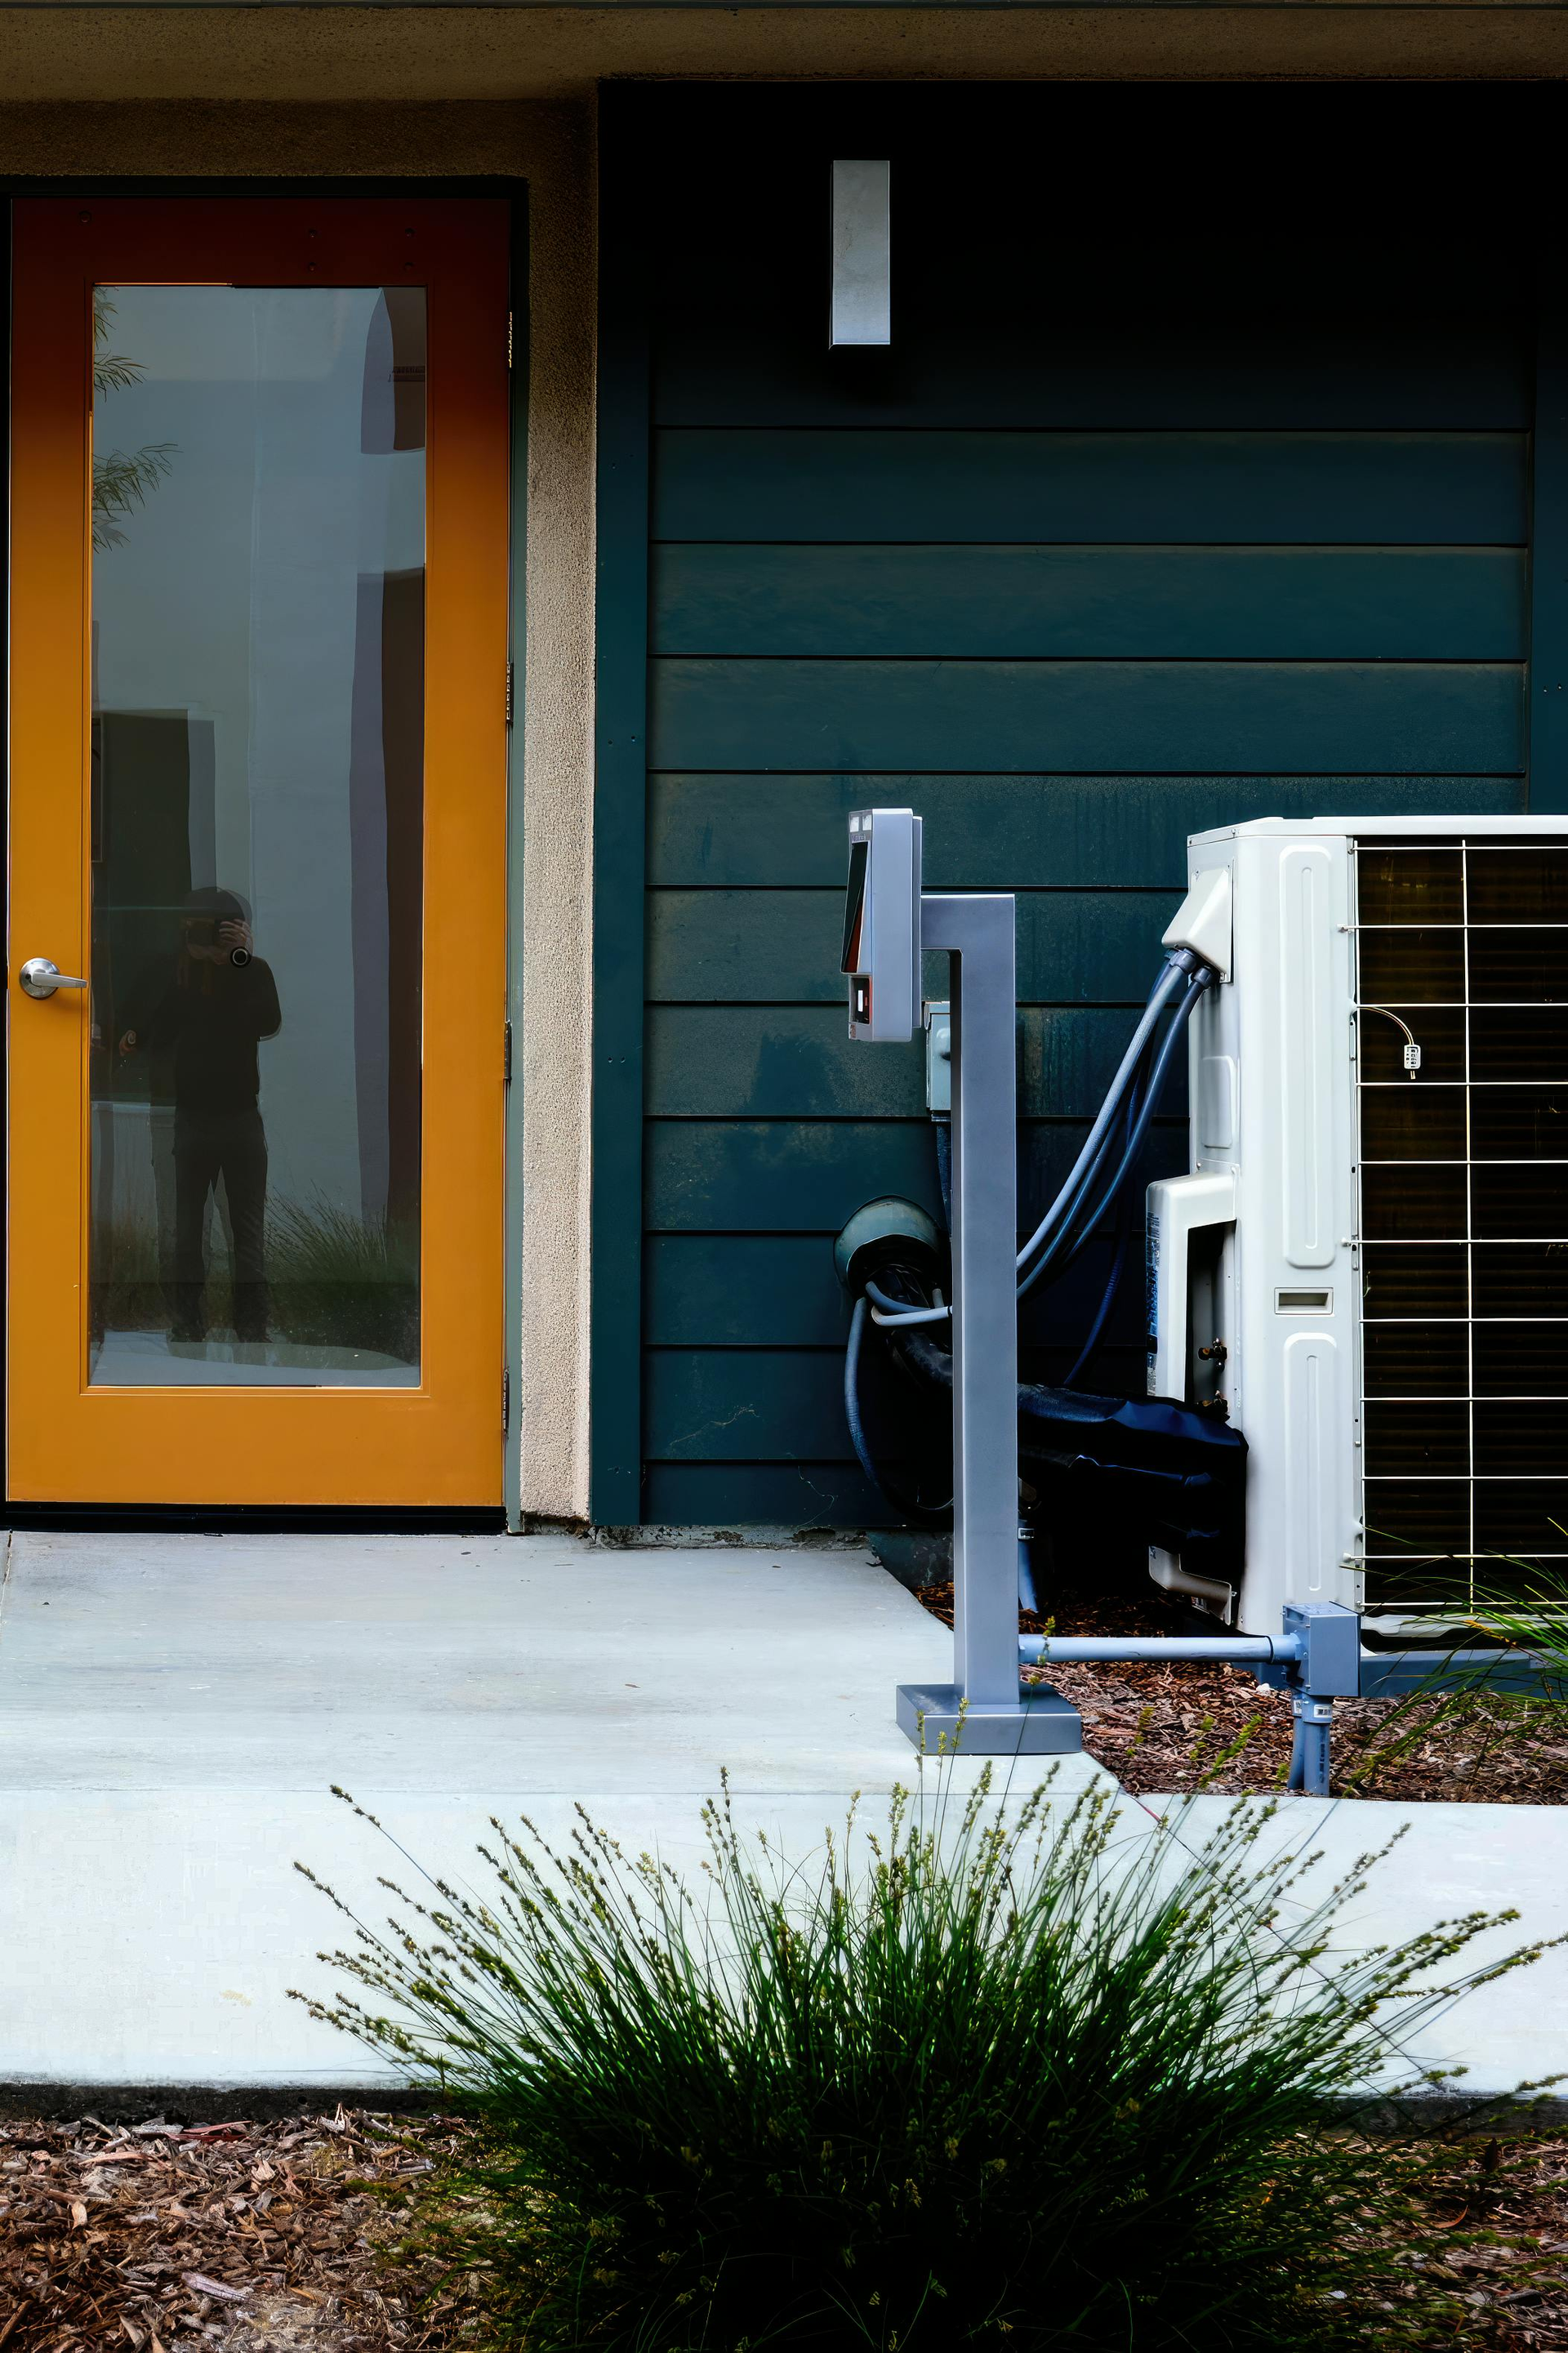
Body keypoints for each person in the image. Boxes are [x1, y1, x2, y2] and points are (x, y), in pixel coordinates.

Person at [118, 888, 282, 1344]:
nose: (213, 938)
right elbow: (162, 1026)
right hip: (193, 1118)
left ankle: (252, 1327)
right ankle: (188, 1324)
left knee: (246, 1230)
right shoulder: (183, 976)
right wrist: (131, 1032)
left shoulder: (253, 971)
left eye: (221, 929)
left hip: (240, 1118)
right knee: (189, 1230)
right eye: (203, 930)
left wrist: (240, 962)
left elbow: (267, 1022)